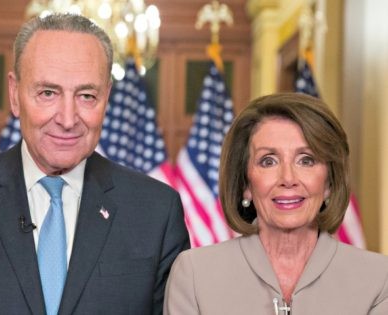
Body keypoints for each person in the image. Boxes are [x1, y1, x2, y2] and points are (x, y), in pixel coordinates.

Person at [0, 13, 189, 314]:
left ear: (107, 98)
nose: (68, 119)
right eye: (48, 93)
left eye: (86, 96)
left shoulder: (156, 212)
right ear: (14, 95)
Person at [164, 93, 388, 314]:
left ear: (329, 182)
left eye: (306, 160)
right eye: (268, 161)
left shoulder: (378, 279)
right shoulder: (195, 274)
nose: (288, 179)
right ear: (246, 184)